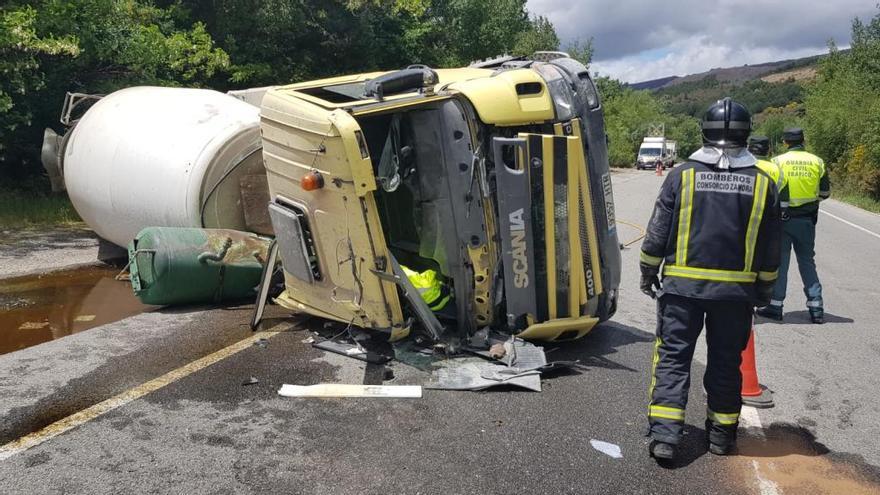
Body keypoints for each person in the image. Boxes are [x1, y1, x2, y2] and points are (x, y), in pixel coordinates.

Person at [639, 98, 781, 461]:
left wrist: (647, 270)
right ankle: (721, 437)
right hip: (735, 296)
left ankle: (665, 438)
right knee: (725, 363)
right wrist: (764, 289)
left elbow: (657, 233)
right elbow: (770, 249)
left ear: (705, 131)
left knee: (672, 359)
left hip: (681, 293)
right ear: (747, 135)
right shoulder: (764, 184)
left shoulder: (681, 176)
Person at [756, 128, 829, 324]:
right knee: (807, 262)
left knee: (781, 263)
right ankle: (816, 306)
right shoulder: (817, 161)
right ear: (803, 141)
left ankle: (776, 306)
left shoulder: (777, 162)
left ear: (785, 142)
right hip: (806, 220)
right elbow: (824, 192)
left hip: (782, 219)